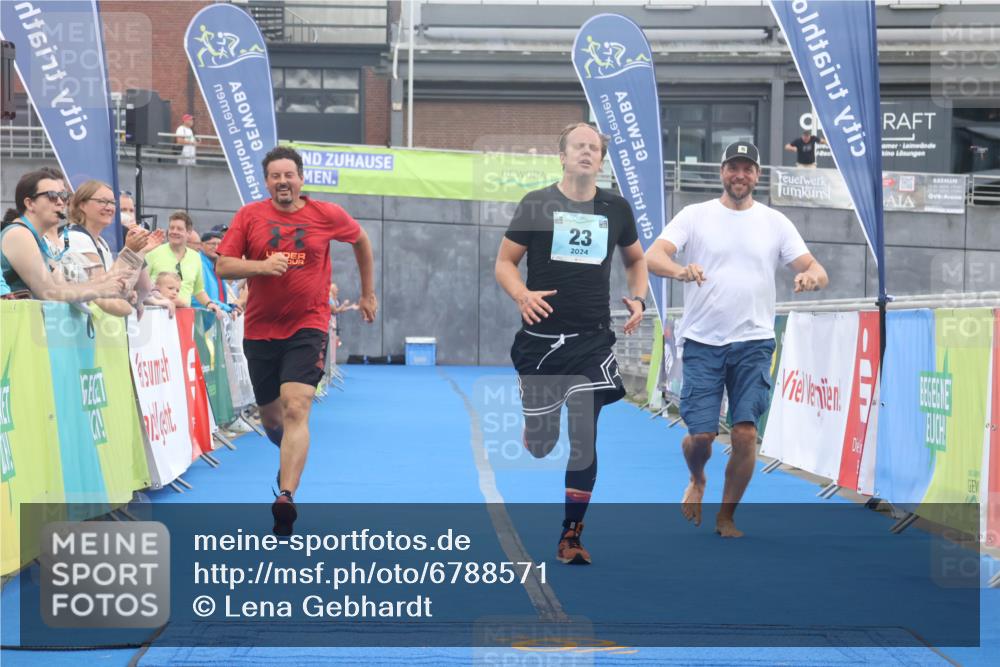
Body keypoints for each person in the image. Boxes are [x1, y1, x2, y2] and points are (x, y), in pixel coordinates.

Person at [644, 141, 829, 538]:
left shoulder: (774, 222)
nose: (740, 175)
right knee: (700, 438)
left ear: (757, 175)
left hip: (755, 341)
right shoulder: (695, 216)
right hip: (702, 342)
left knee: (745, 433)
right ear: (722, 172)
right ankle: (697, 479)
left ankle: (726, 516)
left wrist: (810, 277)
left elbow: (816, 268)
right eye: (733, 167)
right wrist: (679, 271)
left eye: (748, 169)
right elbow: (653, 256)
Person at [494, 122, 648, 565]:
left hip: (591, 342)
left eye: (593, 148)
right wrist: (521, 294)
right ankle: (534, 418)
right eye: (577, 146)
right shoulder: (537, 204)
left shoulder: (615, 208)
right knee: (542, 443)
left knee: (584, 432)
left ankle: (571, 534)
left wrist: (637, 297)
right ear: (561, 156)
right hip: (540, 342)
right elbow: (505, 262)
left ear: (601, 159)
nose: (586, 152)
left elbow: (635, 260)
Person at [215, 145, 377, 536]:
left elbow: (361, 241)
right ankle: (289, 458)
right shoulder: (249, 216)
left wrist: (368, 293)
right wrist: (262, 266)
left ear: (301, 178)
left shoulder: (325, 214)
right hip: (260, 330)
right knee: (274, 419)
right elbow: (223, 264)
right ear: (267, 181)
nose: (283, 181)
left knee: (297, 407)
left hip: (308, 325)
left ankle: (286, 496)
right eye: (275, 176)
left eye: (289, 175)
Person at [1, 168, 126, 302]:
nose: (61, 202)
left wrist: (109, 284)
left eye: (63, 196)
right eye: (52, 195)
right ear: (30, 203)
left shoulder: (39, 240)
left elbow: (63, 287)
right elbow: (48, 292)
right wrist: (103, 289)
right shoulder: (19, 234)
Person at [65, 180, 163, 316]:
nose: (109, 207)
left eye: (112, 202)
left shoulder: (101, 242)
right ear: (82, 204)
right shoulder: (77, 238)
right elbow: (106, 287)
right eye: (102, 201)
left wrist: (140, 251)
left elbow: (121, 287)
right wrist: (130, 251)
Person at [144, 211, 224, 316]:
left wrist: (209, 303)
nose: (174, 231)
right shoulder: (153, 252)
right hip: (156, 317)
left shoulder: (196, 257)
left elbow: (198, 290)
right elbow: (142, 286)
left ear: (189, 232)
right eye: (171, 228)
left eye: (179, 229)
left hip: (184, 319)